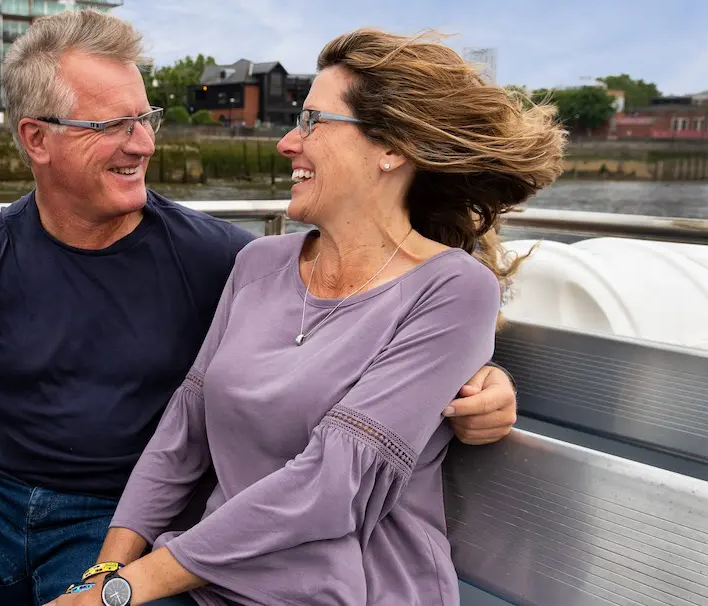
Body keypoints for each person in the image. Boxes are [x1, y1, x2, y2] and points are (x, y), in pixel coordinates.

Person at [0, 11, 521, 606]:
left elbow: (378, 332)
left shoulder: (214, 255)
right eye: (110, 126)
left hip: (127, 514)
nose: (141, 144)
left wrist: (485, 377)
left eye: (144, 118)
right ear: (37, 139)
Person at [48, 27, 565, 606]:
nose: (287, 143)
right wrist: (104, 572)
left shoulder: (453, 289)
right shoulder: (257, 264)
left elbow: (332, 481)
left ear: (391, 147)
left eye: (314, 122)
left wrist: (129, 587)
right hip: (212, 583)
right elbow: (183, 432)